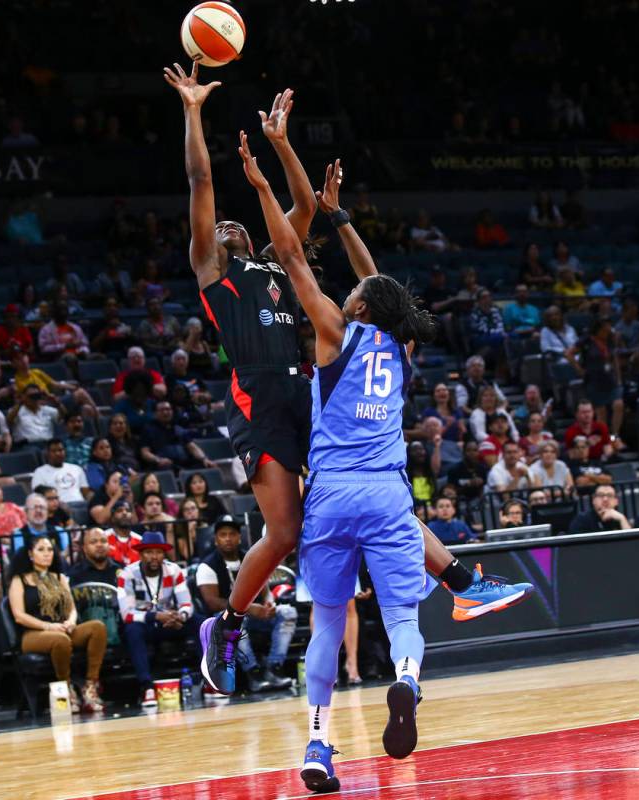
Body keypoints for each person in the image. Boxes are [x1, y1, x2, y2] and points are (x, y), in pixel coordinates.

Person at [165, 62, 531, 710]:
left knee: (382, 494)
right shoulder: (215, 273)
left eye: (231, 224)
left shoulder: (275, 265)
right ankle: (221, 629)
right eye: (216, 229)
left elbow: (303, 208)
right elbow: (199, 180)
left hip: (310, 394)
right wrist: (194, 109)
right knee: (282, 533)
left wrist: (284, 147)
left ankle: (464, 581)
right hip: (260, 399)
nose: (223, 227)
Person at [232, 133, 532, 787]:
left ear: (358, 306)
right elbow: (381, 284)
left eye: (355, 291)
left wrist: (263, 185)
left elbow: (287, 253)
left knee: (325, 623)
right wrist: (338, 217)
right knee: (400, 617)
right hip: (389, 494)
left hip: (332, 495)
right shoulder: (396, 345)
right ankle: (404, 680)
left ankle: (317, 744)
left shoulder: (334, 332)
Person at [197, 514, 296, 692]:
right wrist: (249, 609)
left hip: (254, 615)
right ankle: (254, 672)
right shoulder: (207, 565)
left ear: (239, 537)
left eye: (232, 534)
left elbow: (265, 591)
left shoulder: (251, 558)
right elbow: (212, 603)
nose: (228, 538)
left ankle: (275, 668)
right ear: (216, 540)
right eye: (223, 534)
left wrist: (269, 604)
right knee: (234, 621)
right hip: (222, 620)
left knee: (288, 612)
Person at [8, 535, 106, 713]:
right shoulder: (19, 580)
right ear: (30, 554)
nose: (47, 554)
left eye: (50, 550)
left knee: (97, 627)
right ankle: (66, 689)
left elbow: (72, 608)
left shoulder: (59, 577)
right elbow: (19, 616)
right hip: (32, 634)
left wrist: (71, 621)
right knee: (60, 639)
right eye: (41, 550)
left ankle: (90, 685)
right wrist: (48, 626)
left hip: (62, 629)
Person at [117, 531, 199, 708]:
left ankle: (209, 678)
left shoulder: (174, 570)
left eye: (159, 552)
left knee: (201, 623)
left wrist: (180, 616)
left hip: (169, 622)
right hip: (145, 624)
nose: (154, 557)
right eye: (149, 552)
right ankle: (146, 686)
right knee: (132, 629)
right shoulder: (127, 575)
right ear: (140, 554)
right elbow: (127, 614)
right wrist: (155, 616)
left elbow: (186, 604)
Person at [10, 350, 97, 420]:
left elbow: (55, 384)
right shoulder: (18, 381)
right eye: (19, 359)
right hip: (43, 405)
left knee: (87, 408)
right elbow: (27, 400)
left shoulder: (36, 372)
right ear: (14, 364)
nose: (23, 360)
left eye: (24, 357)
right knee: (81, 393)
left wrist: (74, 387)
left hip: (53, 400)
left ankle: (98, 422)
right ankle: (101, 418)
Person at [577, 318, 624, 446]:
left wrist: (619, 378)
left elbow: (614, 358)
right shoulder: (587, 340)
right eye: (605, 327)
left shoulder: (610, 339)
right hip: (594, 380)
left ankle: (614, 435)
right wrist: (580, 370)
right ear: (598, 329)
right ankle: (605, 442)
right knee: (601, 413)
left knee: (618, 404)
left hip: (610, 378)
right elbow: (569, 353)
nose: (608, 329)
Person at [138, 401, 214, 472]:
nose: (165, 412)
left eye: (168, 409)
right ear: (155, 413)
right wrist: (158, 460)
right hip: (164, 465)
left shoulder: (178, 428)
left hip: (184, 463)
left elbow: (192, 447)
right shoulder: (148, 429)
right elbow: (145, 452)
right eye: (161, 410)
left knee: (204, 465)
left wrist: (204, 459)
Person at [31, 439, 90, 504]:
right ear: (47, 453)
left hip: (80, 504)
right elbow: (39, 495)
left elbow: (85, 492)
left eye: (60, 450)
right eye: (53, 451)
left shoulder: (77, 469)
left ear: (65, 451)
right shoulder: (40, 472)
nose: (58, 453)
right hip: (57, 507)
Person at [7, 384, 62, 449]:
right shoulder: (16, 411)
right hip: (27, 446)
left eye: (36, 396)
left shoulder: (48, 410)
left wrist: (56, 402)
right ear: (24, 396)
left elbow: (64, 417)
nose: (34, 399)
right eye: (31, 396)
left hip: (48, 444)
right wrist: (21, 402)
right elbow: (9, 421)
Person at [104, 500, 142, 566]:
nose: (124, 513)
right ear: (112, 517)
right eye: (119, 511)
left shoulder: (140, 540)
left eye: (128, 511)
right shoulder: (104, 537)